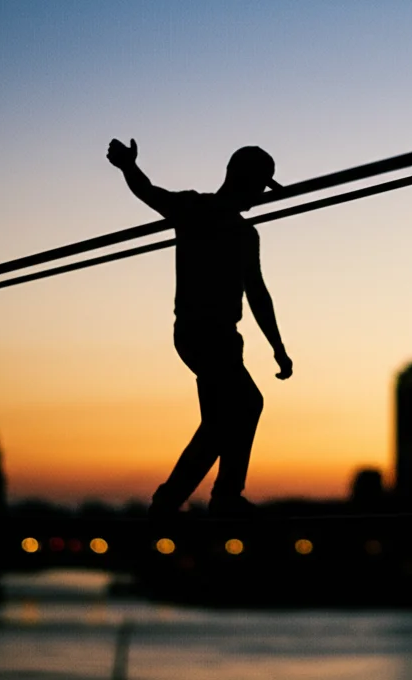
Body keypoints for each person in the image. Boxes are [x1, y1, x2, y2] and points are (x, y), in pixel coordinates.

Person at [106, 138, 293, 517]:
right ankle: (219, 497)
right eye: (258, 187)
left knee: (218, 423)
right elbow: (149, 192)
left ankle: (174, 501)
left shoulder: (244, 233)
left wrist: (278, 347)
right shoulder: (195, 207)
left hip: (221, 338)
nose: (258, 197)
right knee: (246, 405)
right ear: (243, 180)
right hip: (201, 334)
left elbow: (257, 293)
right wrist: (128, 166)